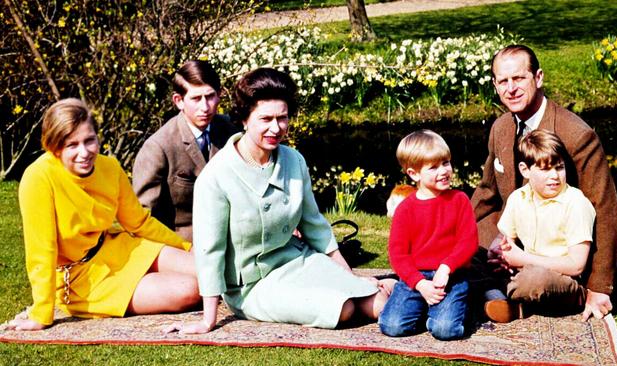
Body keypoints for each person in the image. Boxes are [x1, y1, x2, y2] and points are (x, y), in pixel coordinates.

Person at [165, 68, 395, 334]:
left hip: (298, 261)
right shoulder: (215, 177)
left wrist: (349, 277)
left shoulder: (294, 160)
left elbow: (314, 226)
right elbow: (210, 252)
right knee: (342, 310)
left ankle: (404, 291)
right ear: (244, 119)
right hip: (252, 286)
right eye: (266, 119)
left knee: (376, 303)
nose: (276, 128)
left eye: (282, 118)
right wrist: (208, 320)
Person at [8, 98, 199, 331]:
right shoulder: (38, 178)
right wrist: (41, 312)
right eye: (72, 145)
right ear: (54, 147)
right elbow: (42, 251)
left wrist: (184, 246)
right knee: (191, 290)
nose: (84, 152)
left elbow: (138, 222)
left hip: (115, 248)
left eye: (90, 141)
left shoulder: (109, 167)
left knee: (207, 270)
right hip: (79, 279)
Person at [471, 45, 617, 321]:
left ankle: (495, 292)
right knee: (465, 248)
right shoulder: (501, 128)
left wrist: (600, 287)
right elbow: (486, 192)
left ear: (538, 78)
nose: (511, 88)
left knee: (535, 280)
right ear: (495, 85)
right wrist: (454, 233)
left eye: (519, 79)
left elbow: (605, 208)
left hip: (560, 256)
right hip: (519, 233)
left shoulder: (577, 135)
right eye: (503, 81)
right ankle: (494, 291)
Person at [483, 130, 596, 323]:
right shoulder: (519, 197)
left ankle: (508, 303)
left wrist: (521, 259)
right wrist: (498, 251)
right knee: (476, 262)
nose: (554, 176)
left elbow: (577, 265)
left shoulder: (575, 203)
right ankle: (502, 299)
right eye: (545, 169)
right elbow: (504, 237)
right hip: (524, 270)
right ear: (524, 170)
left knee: (534, 279)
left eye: (559, 168)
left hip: (562, 279)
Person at [378, 130, 478, 340]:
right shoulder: (406, 209)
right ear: (414, 174)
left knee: (445, 330)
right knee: (392, 326)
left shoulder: (459, 200)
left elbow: (468, 242)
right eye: (433, 167)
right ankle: (419, 302)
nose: (444, 171)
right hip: (416, 278)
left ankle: (464, 306)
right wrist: (420, 284)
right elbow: (398, 255)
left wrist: (447, 266)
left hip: (451, 276)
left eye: (446, 163)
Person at [132, 60, 240, 241]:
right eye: (196, 99)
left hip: (234, 236)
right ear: (179, 101)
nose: (205, 107)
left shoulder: (231, 130)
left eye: (210, 96)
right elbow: (143, 219)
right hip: (184, 246)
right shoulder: (158, 148)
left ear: (220, 95)